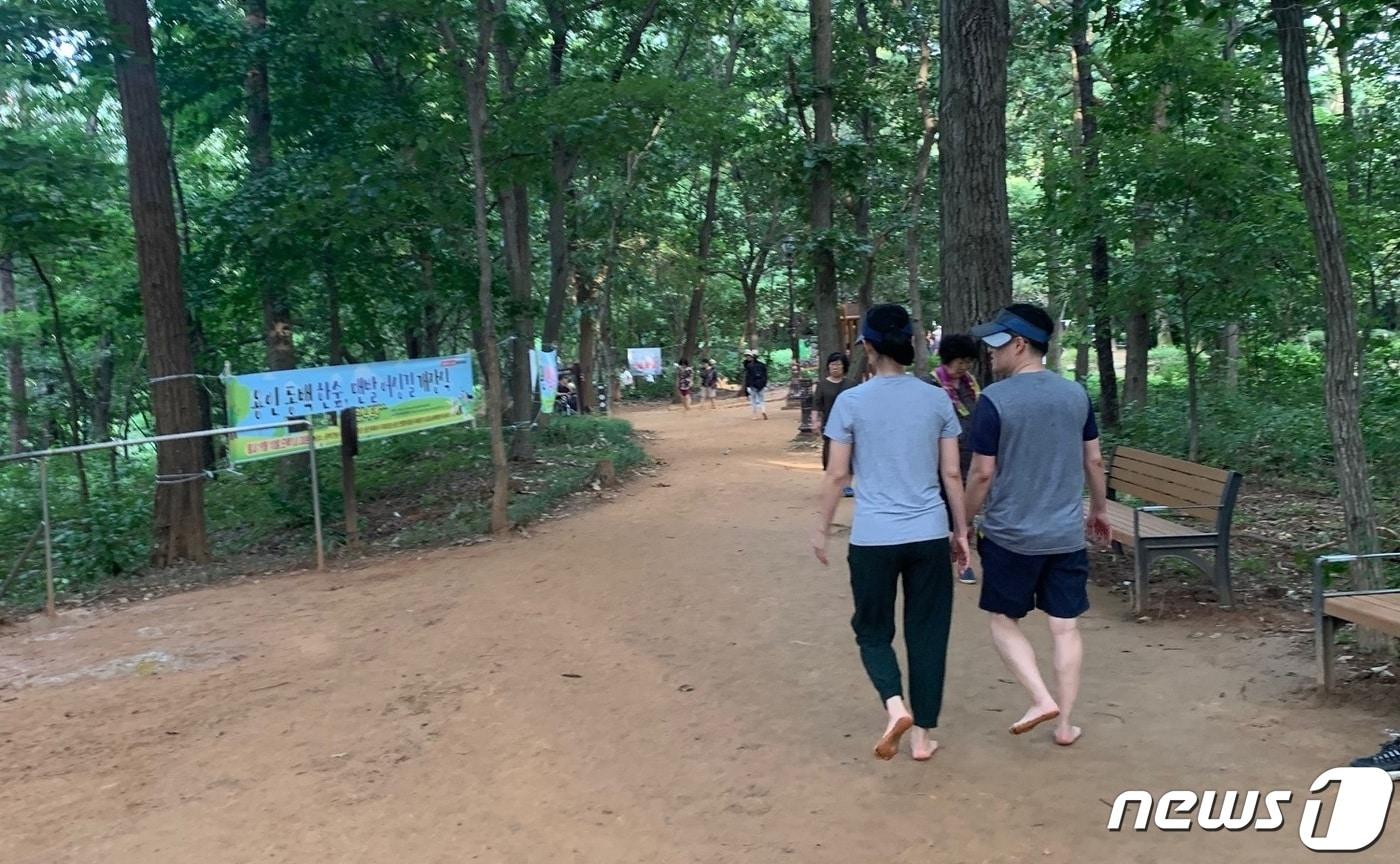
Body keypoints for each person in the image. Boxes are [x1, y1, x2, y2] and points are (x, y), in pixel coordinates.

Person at [811, 304, 971, 762]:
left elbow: (837, 475)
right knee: (927, 632)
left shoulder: (851, 402)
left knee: (872, 630)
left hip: (873, 538)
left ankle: (894, 704)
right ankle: (922, 737)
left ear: (867, 346)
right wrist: (960, 532)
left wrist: (820, 529)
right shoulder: (935, 398)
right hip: (928, 534)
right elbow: (953, 475)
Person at [962, 303, 1111, 748]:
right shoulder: (1076, 395)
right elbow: (1094, 459)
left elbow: (982, 473)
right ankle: (1065, 725)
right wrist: (1099, 510)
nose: (990, 353)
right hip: (1065, 535)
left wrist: (963, 523)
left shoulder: (994, 401)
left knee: (1003, 619)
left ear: (1020, 344)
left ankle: (1039, 698)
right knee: (1064, 627)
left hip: (1011, 536)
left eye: (997, 344)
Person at [934, 334, 982, 585]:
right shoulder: (931, 384)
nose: (964, 366)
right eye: (960, 361)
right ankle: (942, 560)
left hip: (970, 457)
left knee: (967, 511)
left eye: (968, 361)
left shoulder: (971, 384)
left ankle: (964, 561)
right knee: (943, 510)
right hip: (939, 460)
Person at [742, 349, 768, 420]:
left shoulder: (749, 366)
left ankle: (755, 415)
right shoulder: (762, 365)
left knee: (753, 400)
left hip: (753, 385)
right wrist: (764, 384)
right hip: (761, 384)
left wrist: (747, 387)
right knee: (762, 399)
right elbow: (765, 376)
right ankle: (763, 410)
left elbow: (748, 377)